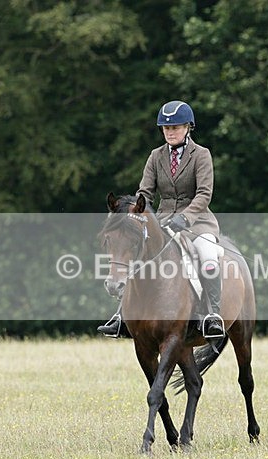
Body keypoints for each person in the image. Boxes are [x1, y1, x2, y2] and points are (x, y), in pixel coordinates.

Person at [98, 100, 225, 339]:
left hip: (197, 223)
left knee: (208, 257)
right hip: (163, 222)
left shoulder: (201, 155)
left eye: (175, 127)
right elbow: (145, 192)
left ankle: (212, 316)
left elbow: (204, 194)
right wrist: (133, 211)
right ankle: (121, 316)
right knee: (137, 256)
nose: (170, 132)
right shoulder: (156, 156)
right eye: (166, 128)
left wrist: (185, 219)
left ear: (188, 127)